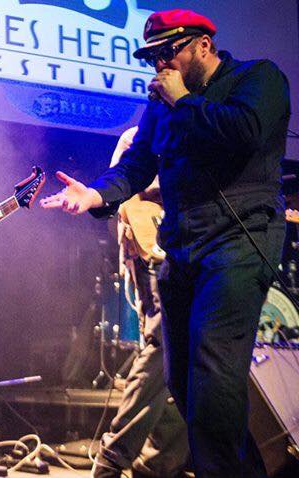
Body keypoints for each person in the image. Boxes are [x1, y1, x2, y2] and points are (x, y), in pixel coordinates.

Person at [41, 9, 290, 477]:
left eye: (166, 53)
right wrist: (95, 193)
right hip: (183, 248)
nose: (158, 65)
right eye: (151, 56)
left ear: (202, 45)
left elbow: (245, 133)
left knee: (215, 375)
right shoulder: (161, 104)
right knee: (184, 383)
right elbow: (137, 165)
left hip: (239, 241)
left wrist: (182, 101)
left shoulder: (258, 78)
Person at [92, 127, 190, 478]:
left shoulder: (201, 128)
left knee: (184, 360)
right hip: (153, 251)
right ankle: (112, 458)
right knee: (162, 345)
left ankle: (159, 463)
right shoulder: (139, 136)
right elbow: (122, 186)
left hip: (190, 251)